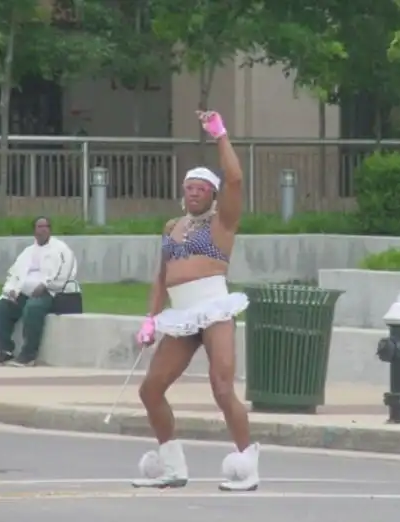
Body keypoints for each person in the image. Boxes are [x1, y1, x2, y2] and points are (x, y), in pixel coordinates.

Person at [131, 110, 259, 492]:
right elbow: (161, 276)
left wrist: (220, 134)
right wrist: (150, 319)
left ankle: (247, 462)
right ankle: (172, 464)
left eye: (202, 188)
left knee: (221, 386)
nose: (194, 192)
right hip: (181, 314)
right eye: (189, 187)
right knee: (150, 389)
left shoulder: (222, 222)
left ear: (213, 195)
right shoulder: (172, 227)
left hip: (214, 308)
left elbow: (235, 178)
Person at [0, 216, 78, 367]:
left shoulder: (62, 249)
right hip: (24, 293)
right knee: (1, 307)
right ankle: (5, 351)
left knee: (33, 308)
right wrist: (10, 290)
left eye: (46, 227)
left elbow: (66, 273)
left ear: (50, 230)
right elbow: (14, 274)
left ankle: (28, 355)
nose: (43, 230)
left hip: (52, 293)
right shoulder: (27, 252)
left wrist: (45, 285)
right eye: (39, 227)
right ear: (34, 231)